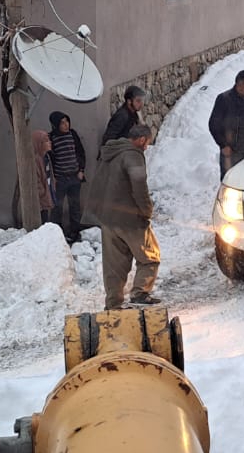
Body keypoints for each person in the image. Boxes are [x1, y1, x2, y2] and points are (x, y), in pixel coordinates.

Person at [95, 122, 161, 309]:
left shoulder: (111, 153)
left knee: (113, 265)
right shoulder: (133, 155)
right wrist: (146, 210)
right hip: (130, 218)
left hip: (108, 218)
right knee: (150, 256)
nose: (146, 147)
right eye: (147, 143)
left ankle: (113, 304)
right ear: (141, 139)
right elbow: (139, 186)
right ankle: (140, 293)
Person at [208, 69, 244, 177]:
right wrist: (223, 145)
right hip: (231, 154)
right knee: (230, 182)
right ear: (239, 85)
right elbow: (214, 124)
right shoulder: (224, 99)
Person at [48, 111, 87, 242]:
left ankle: (75, 232)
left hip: (74, 177)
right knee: (57, 207)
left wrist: (81, 170)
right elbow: (49, 159)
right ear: (56, 125)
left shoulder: (72, 134)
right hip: (60, 179)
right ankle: (55, 234)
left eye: (67, 121)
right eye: (62, 123)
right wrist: (53, 177)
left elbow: (80, 152)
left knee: (75, 206)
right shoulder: (51, 138)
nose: (66, 125)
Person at [101, 85, 147, 151]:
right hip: (117, 153)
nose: (141, 104)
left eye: (141, 101)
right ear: (129, 101)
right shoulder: (122, 116)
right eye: (138, 101)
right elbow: (108, 139)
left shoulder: (134, 113)